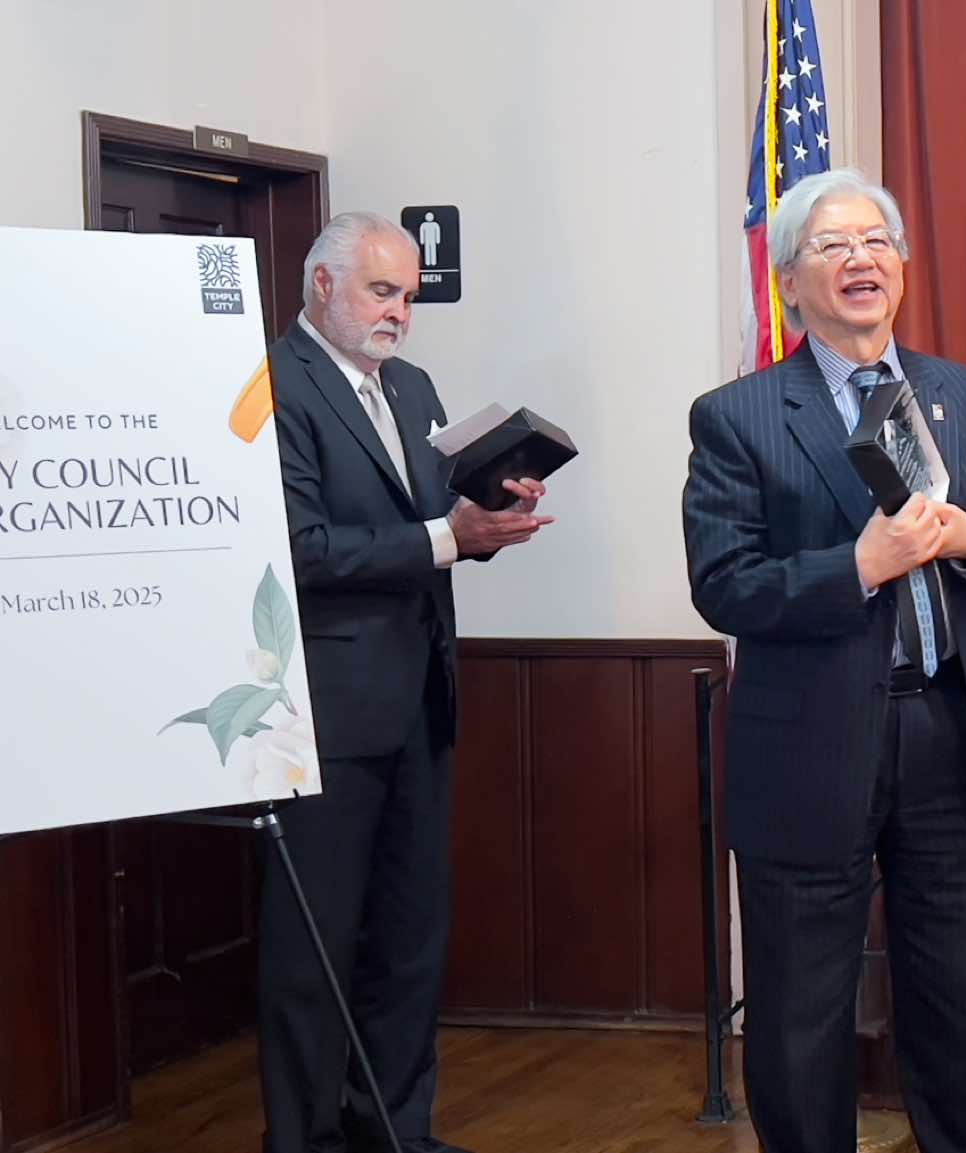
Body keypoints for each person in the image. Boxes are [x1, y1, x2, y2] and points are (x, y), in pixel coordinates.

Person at [682, 168, 966, 1153]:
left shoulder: (964, 396)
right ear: (789, 281)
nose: (860, 259)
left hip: (949, 732)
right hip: (808, 749)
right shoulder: (737, 416)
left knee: (958, 1004)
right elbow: (724, 584)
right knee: (800, 1014)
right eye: (833, 246)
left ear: (900, 265)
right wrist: (857, 566)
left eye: (876, 242)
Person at [261, 211, 552, 1153]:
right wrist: (443, 537)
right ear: (322, 285)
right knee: (314, 948)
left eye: (410, 298)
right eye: (383, 292)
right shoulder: (273, 384)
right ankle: (305, 1139)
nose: (400, 314)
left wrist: (488, 513)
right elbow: (301, 549)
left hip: (423, 700)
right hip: (324, 716)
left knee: (410, 938)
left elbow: (432, 525)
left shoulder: (411, 385)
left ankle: (394, 1132)